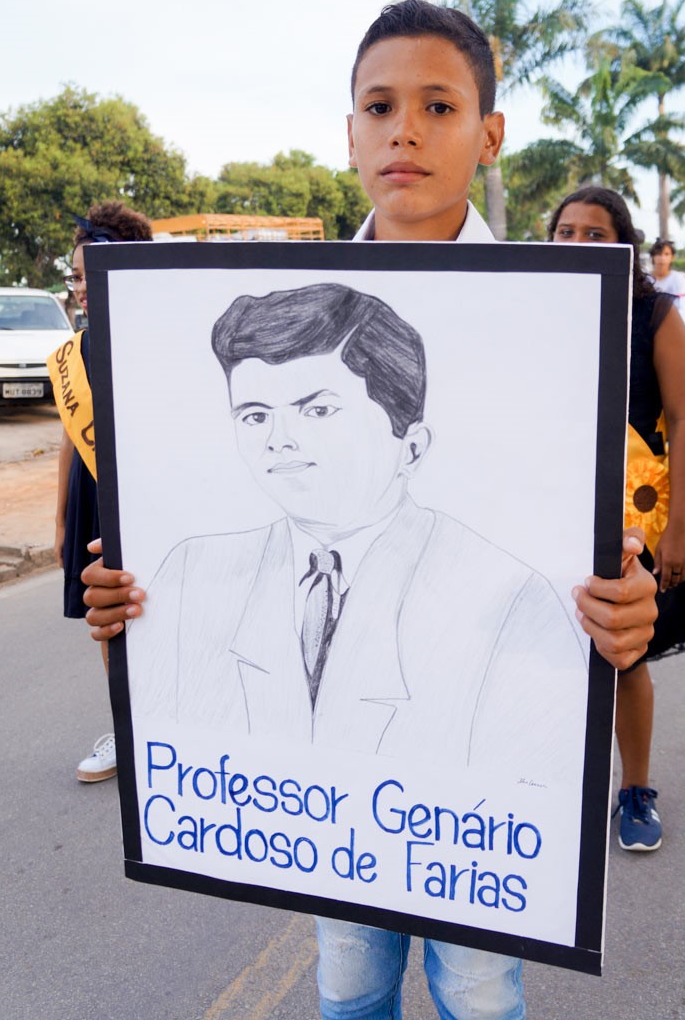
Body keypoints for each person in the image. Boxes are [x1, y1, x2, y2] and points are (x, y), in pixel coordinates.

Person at [82, 1, 658, 1020]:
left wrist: (622, 601)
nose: (404, 131)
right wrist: (131, 608)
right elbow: (175, 686)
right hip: (327, 823)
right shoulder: (209, 562)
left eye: (438, 105)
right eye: (379, 106)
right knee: (347, 982)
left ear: (489, 133)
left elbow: (591, 531)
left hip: (478, 826)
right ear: (348, 132)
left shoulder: (552, 326)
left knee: (478, 990)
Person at [128, 282, 587, 781]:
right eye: (256, 416)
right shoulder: (190, 576)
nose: (279, 441)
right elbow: (160, 750)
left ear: (411, 446)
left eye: (317, 410)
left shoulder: (509, 600)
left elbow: (537, 795)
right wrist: (123, 621)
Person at [549, 186, 685, 855]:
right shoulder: (535, 307)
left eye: (595, 233)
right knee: (547, 653)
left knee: (623, 658)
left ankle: (635, 789)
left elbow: (684, 422)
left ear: (624, 244)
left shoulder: (655, 314)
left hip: (631, 521)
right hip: (551, 509)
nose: (577, 243)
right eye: (566, 231)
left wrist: (678, 531)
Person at [51, 200, 153, 782]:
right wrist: (61, 519)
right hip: (91, 492)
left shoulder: (154, 338)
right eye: (75, 276)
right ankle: (126, 727)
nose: (81, 287)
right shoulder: (78, 350)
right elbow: (70, 436)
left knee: (150, 607)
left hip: (142, 494)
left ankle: (165, 723)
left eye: (88, 273)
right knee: (105, 616)